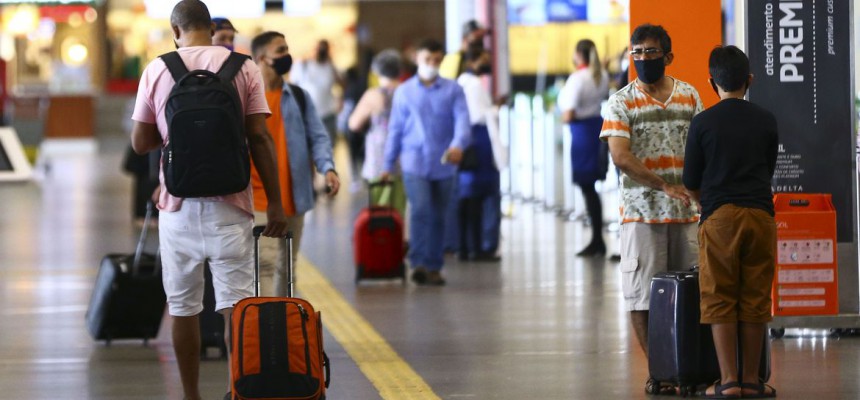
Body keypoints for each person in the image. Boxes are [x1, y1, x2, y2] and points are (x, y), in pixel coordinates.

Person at [129, 2, 289, 400]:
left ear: (176, 31)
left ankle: (191, 395)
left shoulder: (157, 68)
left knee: (183, 306)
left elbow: (140, 142)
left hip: (177, 207)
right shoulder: (244, 67)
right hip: (232, 205)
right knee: (235, 305)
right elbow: (260, 138)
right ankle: (239, 390)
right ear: (209, 26)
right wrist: (278, 205)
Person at [598, 24, 702, 392]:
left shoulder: (689, 96)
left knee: (693, 295)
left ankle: (690, 366)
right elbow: (621, 157)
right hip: (641, 213)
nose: (643, 59)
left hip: (687, 214)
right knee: (643, 294)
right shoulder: (620, 102)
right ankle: (660, 372)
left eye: (651, 52)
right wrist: (663, 185)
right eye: (636, 52)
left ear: (668, 57)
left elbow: (702, 149)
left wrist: (696, 191)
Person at [683, 46, 778, 399]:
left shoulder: (702, 122)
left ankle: (728, 382)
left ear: (711, 83)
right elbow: (767, 171)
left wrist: (705, 203)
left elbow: (690, 178)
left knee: (720, 297)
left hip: (719, 217)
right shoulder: (767, 119)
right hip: (760, 216)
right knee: (755, 298)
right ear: (749, 80)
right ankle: (752, 380)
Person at [249, 31, 341, 297]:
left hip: (294, 196)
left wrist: (328, 168)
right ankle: (266, 328)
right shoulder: (244, 98)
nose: (286, 55)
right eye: (280, 50)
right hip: (257, 198)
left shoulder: (298, 97)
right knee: (265, 265)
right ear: (261, 58)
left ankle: (281, 327)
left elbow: (318, 135)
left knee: (287, 267)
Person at [381, 38, 471, 286]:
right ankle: (418, 262)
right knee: (420, 210)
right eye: (427, 60)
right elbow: (395, 129)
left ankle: (434, 265)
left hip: (444, 163)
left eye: (436, 60)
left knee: (440, 215)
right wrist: (387, 165)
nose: (432, 64)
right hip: (414, 162)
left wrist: (458, 145)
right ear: (417, 59)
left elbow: (463, 121)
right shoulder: (404, 92)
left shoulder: (453, 90)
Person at [558, 39, 610, 257]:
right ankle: (597, 237)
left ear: (579, 54)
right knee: (591, 187)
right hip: (596, 128)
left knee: (587, 187)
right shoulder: (602, 75)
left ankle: (597, 239)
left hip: (581, 133)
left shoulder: (577, 78)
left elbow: (568, 114)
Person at [455, 46, 505, 261]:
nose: (487, 64)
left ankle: (466, 246)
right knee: (485, 197)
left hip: (468, 145)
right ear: (473, 61)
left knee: (467, 199)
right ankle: (483, 246)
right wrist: (496, 108)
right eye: (484, 59)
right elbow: (479, 115)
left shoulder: (460, 83)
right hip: (481, 143)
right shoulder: (474, 84)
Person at [348, 49, 407, 217]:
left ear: (376, 71)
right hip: (405, 156)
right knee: (399, 208)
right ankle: (398, 238)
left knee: (380, 208)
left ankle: (382, 241)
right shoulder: (407, 91)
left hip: (379, 157)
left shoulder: (373, 95)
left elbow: (354, 124)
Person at [291, 39, 344, 145]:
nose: (321, 51)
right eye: (319, 48)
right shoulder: (303, 65)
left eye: (324, 48)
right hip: (307, 115)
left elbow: (342, 84)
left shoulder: (330, 66)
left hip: (328, 114)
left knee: (328, 149)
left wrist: (331, 62)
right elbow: (292, 86)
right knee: (307, 150)